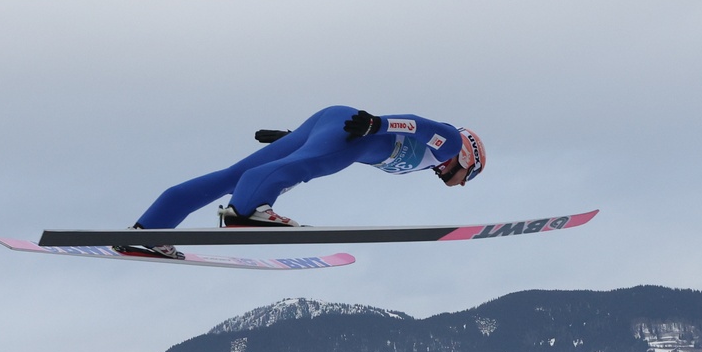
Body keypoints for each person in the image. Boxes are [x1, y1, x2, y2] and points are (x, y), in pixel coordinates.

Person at [120, 105, 485, 258]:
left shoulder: (427, 163)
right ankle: (246, 211)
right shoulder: (449, 144)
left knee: (231, 176)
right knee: (309, 166)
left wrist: (294, 136)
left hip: (331, 123)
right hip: (351, 131)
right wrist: (377, 124)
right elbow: (418, 124)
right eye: (469, 175)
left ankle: (150, 230)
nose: (461, 183)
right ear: (468, 157)